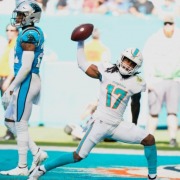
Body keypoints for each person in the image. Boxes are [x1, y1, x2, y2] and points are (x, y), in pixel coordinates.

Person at [28, 43, 157, 180]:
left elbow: (136, 102)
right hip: (99, 123)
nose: (127, 64)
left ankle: (152, 177)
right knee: (78, 156)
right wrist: (80, 43)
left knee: (149, 139)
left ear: (136, 67)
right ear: (121, 58)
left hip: (118, 124)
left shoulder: (137, 82)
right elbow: (82, 64)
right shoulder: (107, 69)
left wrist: (134, 124)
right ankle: (41, 169)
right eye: (126, 60)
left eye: (132, 63)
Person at [0, 1, 48, 176]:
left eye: (21, 14)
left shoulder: (29, 34)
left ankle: (22, 167)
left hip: (27, 80)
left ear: (31, 16)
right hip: (29, 80)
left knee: (20, 123)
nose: (18, 17)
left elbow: (26, 66)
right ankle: (36, 152)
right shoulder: (31, 31)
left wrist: (11, 87)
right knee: (10, 121)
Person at [143, 15, 180, 147]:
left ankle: (173, 138)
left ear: (174, 24)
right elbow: (147, 59)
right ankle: (148, 138)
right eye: (166, 24)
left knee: (172, 112)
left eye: (170, 23)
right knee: (153, 112)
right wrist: (149, 81)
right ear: (163, 24)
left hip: (174, 80)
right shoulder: (154, 39)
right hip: (157, 80)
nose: (168, 26)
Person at [0, 24, 19, 141]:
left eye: (12, 30)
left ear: (17, 31)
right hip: (2, 77)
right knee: (6, 106)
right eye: (7, 30)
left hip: (8, 78)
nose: (9, 32)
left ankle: (11, 132)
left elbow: (15, 65)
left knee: (10, 107)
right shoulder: (7, 44)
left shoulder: (16, 45)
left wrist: (8, 80)